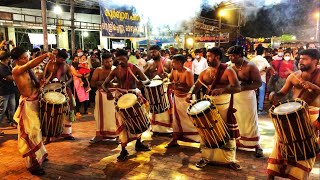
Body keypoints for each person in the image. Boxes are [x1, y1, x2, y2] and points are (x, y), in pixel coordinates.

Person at [267, 49, 320, 180]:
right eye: (300, 58)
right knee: (279, 145)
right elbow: (282, 93)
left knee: (304, 149)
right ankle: (271, 176)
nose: (301, 61)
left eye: (305, 59)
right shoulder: (294, 75)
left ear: (315, 61)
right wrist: (274, 95)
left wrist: (315, 87)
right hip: (292, 114)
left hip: (312, 114)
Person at [188, 47, 241, 170]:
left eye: (210, 56)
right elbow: (196, 85)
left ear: (217, 57)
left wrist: (223, 89)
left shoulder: (228, 71)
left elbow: (237, 88)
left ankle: (230, 159)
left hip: (224, 105)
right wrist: (189, 94)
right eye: (207, 56)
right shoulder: (205, 72)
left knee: (226, 131)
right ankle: (206, 157)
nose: (207, 58)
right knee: (206, 130)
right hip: (208, 104)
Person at [102, 49, 151, 161]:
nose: (120, 62)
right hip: (121, 98)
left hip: (133, 95)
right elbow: (105, 84)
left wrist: (141, 83)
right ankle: (123, 149)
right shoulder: (115, 70)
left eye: (123, 59)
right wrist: (108, 92)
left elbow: (147, 81)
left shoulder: (134, 68)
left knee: (137, 118)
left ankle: (138, 142)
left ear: (127, 58)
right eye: (118, 59)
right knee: (122, 123)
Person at [11, 47, 54, 175]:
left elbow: (35, 83)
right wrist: (45, 55)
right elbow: (31, 63)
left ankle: (40, 155)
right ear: (18, 59)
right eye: (24, 57)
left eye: (27, 56)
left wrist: (40, 83)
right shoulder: (17, 69)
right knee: (32, 133)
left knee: (37, 131)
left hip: (35, 101)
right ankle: (33, 164)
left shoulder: (28, 69)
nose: (27, 59)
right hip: (28, 104)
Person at [227, 45, 264, 158]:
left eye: (232, 56)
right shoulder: (230, 66)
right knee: (237, 119)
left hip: (247, 96)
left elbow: (258, 83)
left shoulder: (250, 66)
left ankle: (256, 145)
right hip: (234, 97)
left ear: (239, 55)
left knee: (250, 120)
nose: (230, 58)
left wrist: (242, 88)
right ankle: (238, 142)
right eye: (229, 56)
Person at [166, 54, 200, 148]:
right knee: (176, 120)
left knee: (190, 119)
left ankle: (199, 139)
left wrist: (176, 86)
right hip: (176, 97)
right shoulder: (173, 70)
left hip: (186, 99)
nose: (172, 64)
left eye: (175, 63)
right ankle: (175, 138)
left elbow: (190, 88)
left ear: (181, 63)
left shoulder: (188, 72)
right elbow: (170, 79)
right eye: (172, 62)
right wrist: (169, 82)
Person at [42, 50, 76, 143]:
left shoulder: (66, 65)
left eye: (65, 59)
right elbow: (43, 77)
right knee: (50, 112)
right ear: (57, 57)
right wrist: (48, 82)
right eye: (61, 59)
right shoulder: (49, 65)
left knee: (68, 111)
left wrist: (65, 83)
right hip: (50, 90)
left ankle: (67, 133)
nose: (63, 61)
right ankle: (49, 136)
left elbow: (70, 77)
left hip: (64, 90)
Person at [143, 45, 173, 135]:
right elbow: (143, 76)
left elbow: (173, 74)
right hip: (153, 90)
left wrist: (167, 75)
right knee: (154, 109)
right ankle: (155, 128)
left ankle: (167, 129)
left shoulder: (168, 62)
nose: (152, 54)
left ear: (159, 51)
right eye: (151, 52)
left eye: (154, 52)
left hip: (164, 88)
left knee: (165, 109)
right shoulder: (148, 63)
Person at [90, 53, 119, 143]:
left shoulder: (116, 69)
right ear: (102, 62)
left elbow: (121, 81)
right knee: (99, 115)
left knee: (115, 115)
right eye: (106, 62)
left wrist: (115, 82)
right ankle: (99, 135)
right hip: (101, 95)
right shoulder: (98, 70)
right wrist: (103, 82)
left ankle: (118, 135)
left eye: (110, 61)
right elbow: (92, 83)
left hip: (114, 94)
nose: (108, 63)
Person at [250, 44, 271, 114]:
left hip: (254, 78)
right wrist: (264, 71)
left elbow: (250, 68)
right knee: (261, 93)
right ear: (263, 52)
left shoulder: (253, 59)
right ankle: (260, 109)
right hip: (262, 78)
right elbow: (269, 67)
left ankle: (253, 108)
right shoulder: (263, 59)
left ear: (256, 51)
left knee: (253, 93)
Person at [0, 51, 16, 135]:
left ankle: (12, 122)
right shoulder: (1, 67)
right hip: (3, 91)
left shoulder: (7, 66)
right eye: (9, 58)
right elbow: (11, 78)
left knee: (12, 108)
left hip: (10, 90)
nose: (10, 59)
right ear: (7, 58)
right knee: (2, 110)